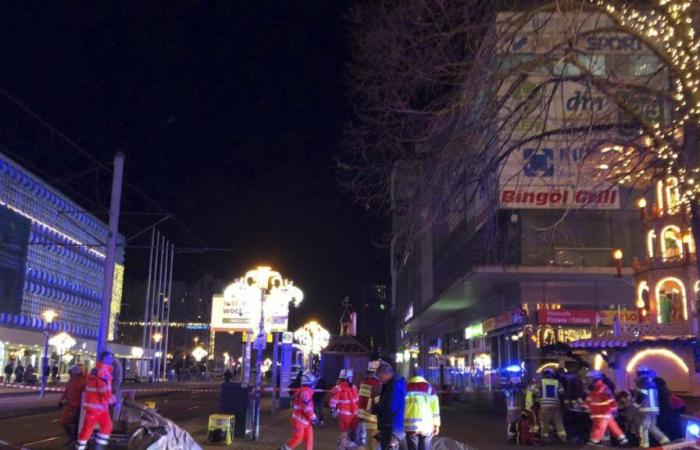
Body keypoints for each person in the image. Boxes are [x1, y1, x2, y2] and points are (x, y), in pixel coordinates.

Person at [77, 351, 116, 450]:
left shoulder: (97, 370)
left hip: (98, 407)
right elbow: (103, 390)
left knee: (106, 426)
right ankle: (83, 447)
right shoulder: (103, 372)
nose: (112, 360)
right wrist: (113, 401)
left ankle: (97, 447)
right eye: (110, 358)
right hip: (96, 407)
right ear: (105, 359)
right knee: (89, 429)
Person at [585, 370, 628, 446]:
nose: (588, 381)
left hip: (603, 413)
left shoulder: (603, 388)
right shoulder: (595, 388)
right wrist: (585, 406)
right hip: (601, 413)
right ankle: (623, 439)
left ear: (595, 379)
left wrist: (614, 409)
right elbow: (590, 399)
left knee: (599, 428)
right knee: (612, 426)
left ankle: (594, 442)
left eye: (590, 379)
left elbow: (611, 400)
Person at [404, 367, 440, 450]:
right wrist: (436, 425)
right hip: (426, 426)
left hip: (410, 427)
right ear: (423, 376)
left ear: (412, 375)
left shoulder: (405, 387)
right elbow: (435, 409)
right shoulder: (430, 388)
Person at [634, 367, 670, 448]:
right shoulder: (652, 382)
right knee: (652, 427)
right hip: (654, 409)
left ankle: (644, 445)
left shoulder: (642, 382)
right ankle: (664, 440)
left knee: (643, 427)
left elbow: (641, 395)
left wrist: (635, 404)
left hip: (646, 409)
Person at [282, 370, 317, 450]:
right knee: (298, 439)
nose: (314, 385)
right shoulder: (305, 393)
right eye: (313, 383)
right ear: (310, 383)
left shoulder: (304, 391)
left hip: (304, 420)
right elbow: (307, 408)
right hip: (300, 420)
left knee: (309, 439)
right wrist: (313, 418)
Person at [373, 362, 406, 450]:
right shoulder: (395, 384)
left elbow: (390, 406)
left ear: (386, 374)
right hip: (393, 425)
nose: (380, 380)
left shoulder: (394, 385)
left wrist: (375, 409)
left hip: (392, 426)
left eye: (380, 377)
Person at [535, 368, 566, 443]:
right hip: (556, 405)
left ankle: (545, 439)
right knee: (558, 422)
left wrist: (539, 397)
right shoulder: (557, 382)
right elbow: (562, 392)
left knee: (545, 422)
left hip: (545, 405)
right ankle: (563, 437)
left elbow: (535, 391)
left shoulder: (541, 382)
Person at [357, 359, 383, 450]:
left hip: (365, 416)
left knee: (369, 440)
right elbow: (378, 402)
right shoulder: (376, 383)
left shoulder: (364, 381)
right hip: (373, 416)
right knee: (375, 442)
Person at [330, 369, 359, 449]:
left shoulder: (353, 387)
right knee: (345, 433)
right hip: (345, 416)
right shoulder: (338, 388)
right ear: (348, 378)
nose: (352, 378)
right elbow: (333, 401)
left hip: (354, 415)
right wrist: (333, 410)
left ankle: (344, 446)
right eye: (351, 377)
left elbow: (357, 400)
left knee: (350, 434)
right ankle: (341, 447)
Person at [59, 364, 87, 445]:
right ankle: (72, 437)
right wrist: (61, 400)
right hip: (70, 405)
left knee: (73, 423)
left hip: (78, 406)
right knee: (64, 422)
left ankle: (73, 439)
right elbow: (67, 391)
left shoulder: (84, 380)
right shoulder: (72, 380)